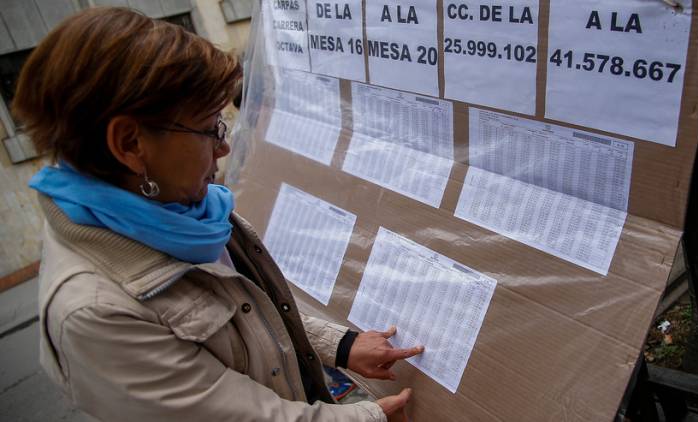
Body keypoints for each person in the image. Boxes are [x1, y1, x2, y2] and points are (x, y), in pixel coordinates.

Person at [14, 7, 423, 422]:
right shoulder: (96, 314)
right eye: (210, 128)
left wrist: (339, 344)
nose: (224, 148)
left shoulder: (181, 212)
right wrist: (369, 418)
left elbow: (247, 316)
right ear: (130, 144)